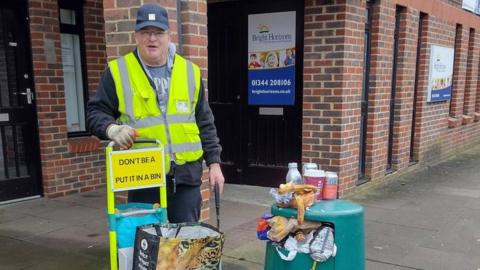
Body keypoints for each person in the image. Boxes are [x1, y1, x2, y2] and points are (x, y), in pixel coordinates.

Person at [86, 3, 225, 223]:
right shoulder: (117, 72)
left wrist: (214, 164)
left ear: (168, 36)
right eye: (145, 32)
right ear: (136, 36)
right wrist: (111, 129)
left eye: (158, 32)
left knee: (185, 246)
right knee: (148, 249)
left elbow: (204, 122)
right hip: (143, 177)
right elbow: (95, 113)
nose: (152, 39)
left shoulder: (190, 72)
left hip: (186, 178)